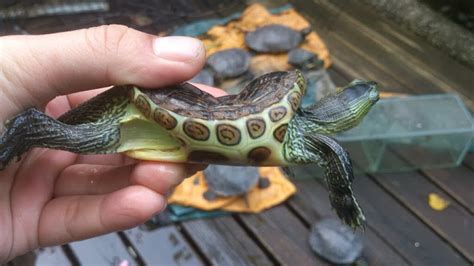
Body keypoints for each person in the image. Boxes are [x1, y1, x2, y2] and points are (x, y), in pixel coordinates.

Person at [0, 25, 223, 262]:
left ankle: (31, 130)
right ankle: (30, 127)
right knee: (92, 139)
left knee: (92, 143)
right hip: (135, 107)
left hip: (155, 111)